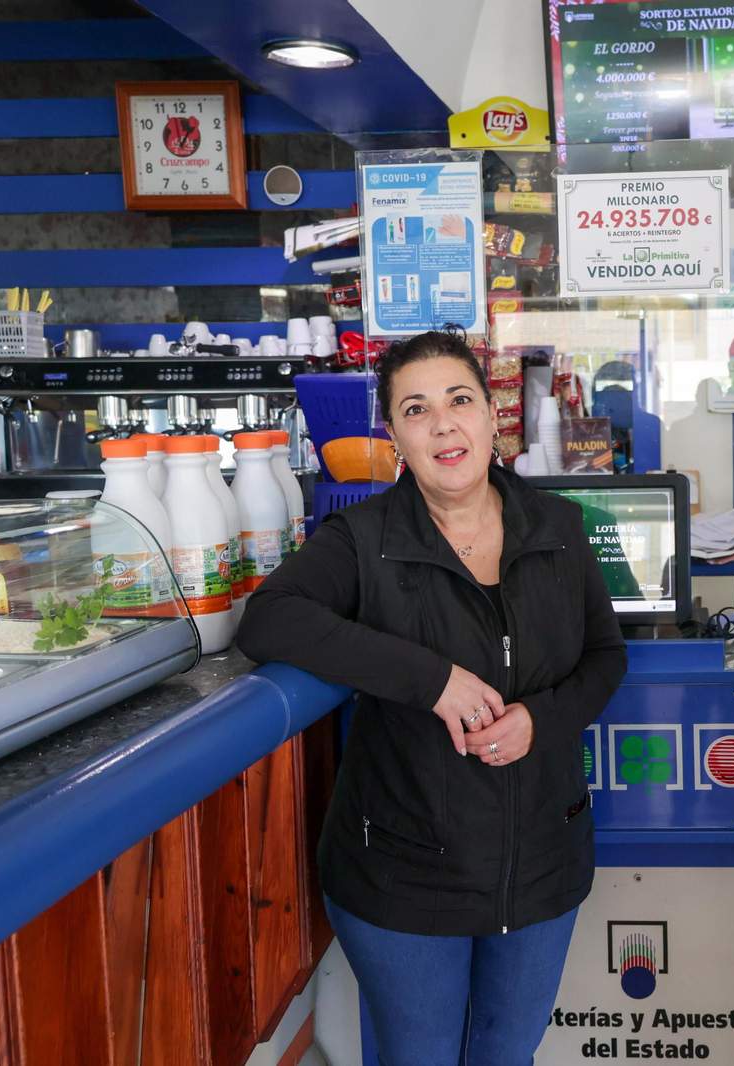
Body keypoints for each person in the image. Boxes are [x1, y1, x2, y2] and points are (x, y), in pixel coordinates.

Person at [237, 328, 627, 1066]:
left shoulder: (562, 528)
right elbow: (271, 617)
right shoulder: (361, 540)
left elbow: (606, 659)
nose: (444, 423)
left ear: (491, 416)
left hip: (543, 861)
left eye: (459, 400)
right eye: (416, 410)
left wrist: (541, 721)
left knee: (508, 1053)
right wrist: (435, 680)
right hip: (407, 873)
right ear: (393, 436)